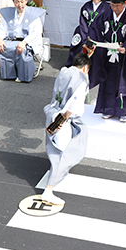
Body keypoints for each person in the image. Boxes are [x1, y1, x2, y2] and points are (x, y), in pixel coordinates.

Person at [42, 53, 92, 205]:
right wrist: (64, 118)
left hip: (53, 111)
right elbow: (74, 102)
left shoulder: (64, 71)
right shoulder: (81, 80)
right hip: (65, 118)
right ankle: (48, 190)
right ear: (85, 68)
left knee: (55, 148)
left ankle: (56, 173)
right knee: (64, 154)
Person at [94, 0, 126, 122]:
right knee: (108, 81)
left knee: (123, 82)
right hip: (108, 55)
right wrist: (94, 42)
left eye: (118, 6)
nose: (115, 9)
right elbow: (95, 29)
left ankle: (124, 111)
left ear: (124, 3)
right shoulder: (105, 15)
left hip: (123, 58)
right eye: (112, 5)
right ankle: (107, 109)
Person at [67, 0, 112, 88]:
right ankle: (75, 70)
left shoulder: (107, 8)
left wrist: (97, 36)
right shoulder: (86, 6)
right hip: (85, 33)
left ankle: (94, 76)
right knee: (77, 45)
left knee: (97, 52)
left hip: (99, 36)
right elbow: (82, 23)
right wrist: (85, 37)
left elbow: (107, 25)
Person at [0, 0, 45, 82]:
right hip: (11, 40)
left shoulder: (32, 15)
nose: (20, 5)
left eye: (22, 2)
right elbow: (2, 28)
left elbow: (36, 32)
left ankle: (24, 76)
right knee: (3, 48)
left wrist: (24, 42)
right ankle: (9, 74)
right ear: (13, 2)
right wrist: (0, 40)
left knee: (21, 50)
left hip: (27, 41)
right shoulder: (8, 14)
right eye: (17, 2)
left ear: (26, 1)